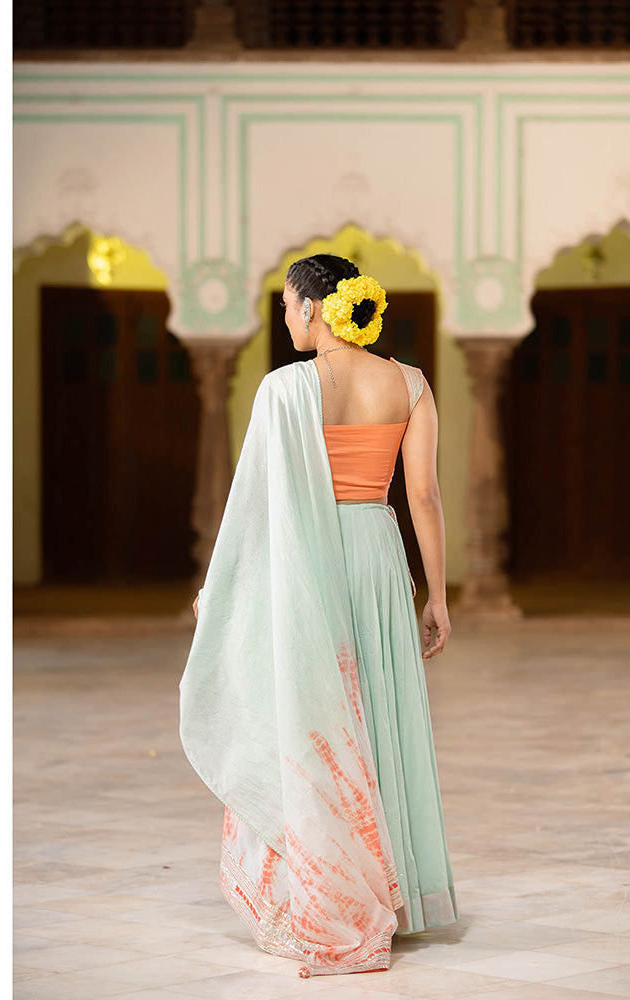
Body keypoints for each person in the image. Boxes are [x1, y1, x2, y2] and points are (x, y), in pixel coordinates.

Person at [179, 254, 458, 977]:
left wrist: (222, 585)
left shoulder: (284, 389)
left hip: (308, 557)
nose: (284, 318)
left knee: (314, 717)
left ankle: (327, 890)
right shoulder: (411, 383)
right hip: (377, 555)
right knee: (379, 713)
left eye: (286, 305)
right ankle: (392, 893)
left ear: (312, 307)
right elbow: (423, 496)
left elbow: (254, 503)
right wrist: (438, 595)